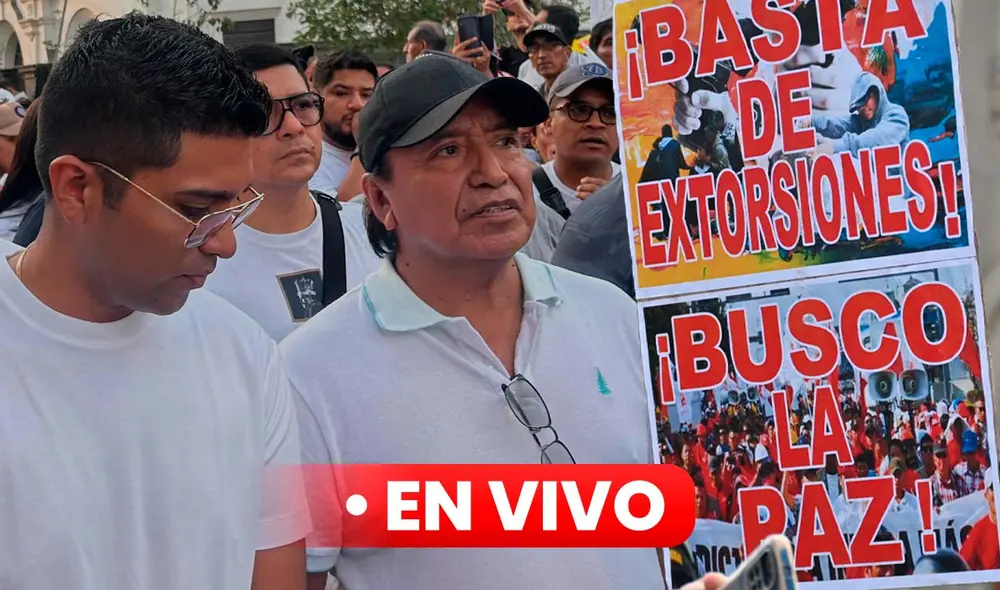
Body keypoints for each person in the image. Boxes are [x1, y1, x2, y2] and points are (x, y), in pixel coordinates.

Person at [280, 52, 664, 590]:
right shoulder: (309, 374)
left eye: (507, 141)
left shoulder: (612, 314)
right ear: (381, 199)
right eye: (449, 150)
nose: (493, 173)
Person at [0, 13, 309, 589]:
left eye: (236, 205)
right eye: (195, 210)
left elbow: (275, 566)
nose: (226, 241)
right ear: (76, 188)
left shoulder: (243, 354)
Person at [204, 43, 381, 342]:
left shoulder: (370, 231)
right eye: (264, 112)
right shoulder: (202, 263)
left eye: (303, 105)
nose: (293, 126)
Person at [534, 62, 619, 218]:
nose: (596, 123)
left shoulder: (639, 191)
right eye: (579, 110)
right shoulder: (525, 197)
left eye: (610, 113)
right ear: (548, 124)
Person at [309, 49, 377, 197]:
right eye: (341, 93)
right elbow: (344, 214)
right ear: (316, 99)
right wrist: (363, 146)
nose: (358, 104)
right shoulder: (307, 158)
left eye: (366, 95)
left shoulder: (388, 150)